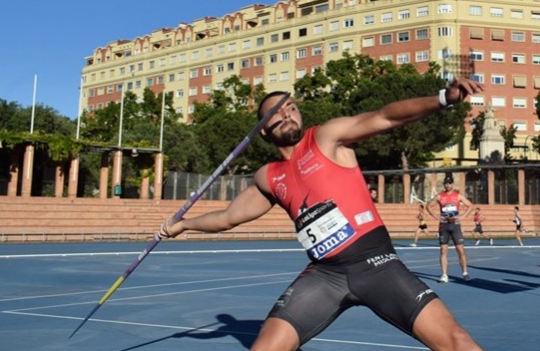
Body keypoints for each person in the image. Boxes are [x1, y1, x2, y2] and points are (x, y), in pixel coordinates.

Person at [159, 79, 484, 350]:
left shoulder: (327, 137)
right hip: (325, 275)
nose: (287, 114)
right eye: (276, 112)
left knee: (456, 342)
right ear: (262, 130)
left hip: (376, 265)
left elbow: (386, 117)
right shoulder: (268, 176)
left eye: (291, 107)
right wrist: (182, 225)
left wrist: (444, 98)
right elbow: (229, 217)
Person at [426, 175, 474, 283]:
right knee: (443, 250)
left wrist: (462, 217)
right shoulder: (440, 196)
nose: (448, 185)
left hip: (455, 225)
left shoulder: (458, 196)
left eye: (450, 183)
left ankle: (465, 273)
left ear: (452, 184)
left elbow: (470, 205)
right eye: (446, 183)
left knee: (460, 250)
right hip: (444, 225)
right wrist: (436, 216)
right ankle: (444, 275)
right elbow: (428, 205)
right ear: (444, 184)